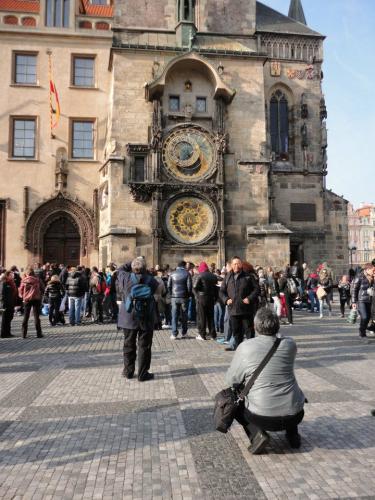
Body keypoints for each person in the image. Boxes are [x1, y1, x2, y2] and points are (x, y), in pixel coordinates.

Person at [226, 308, 305, 454]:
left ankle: (257, 435)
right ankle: (293, 435)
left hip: (262, 417)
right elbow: (281, 338)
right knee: (286, 387)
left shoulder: (246, 347)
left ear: (255, 326)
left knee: (234, 398)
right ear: (278, 326)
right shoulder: (290, 345)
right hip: (295, 414)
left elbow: (232, 380)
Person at [117, 257, 158, 381]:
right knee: (144, 346)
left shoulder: (125, 277)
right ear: (144, 268)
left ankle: (128, 371)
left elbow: (120, 269)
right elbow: (155, 290)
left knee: (128, 344)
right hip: (146, 316)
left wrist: (134, 261)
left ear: (132, 268)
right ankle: (143, 373)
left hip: (128, 316)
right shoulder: (151, 280)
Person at [219, 256, 260, 350]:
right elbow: (221, 291)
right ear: (231, 265)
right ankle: (237, 347)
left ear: (241, 264)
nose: (236, 265)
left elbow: (257, 289)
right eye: (234, 264)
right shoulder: (227, 277)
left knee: (249, 330)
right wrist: (226, 300)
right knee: (236, 331)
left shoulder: (248, 276)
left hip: (246, 309)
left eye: (238, 263)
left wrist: (249, 298)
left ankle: (251, 348)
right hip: (233, 309)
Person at [167, 261, 192, 339]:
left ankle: (174, 333)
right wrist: (188, 295)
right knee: (184, 315)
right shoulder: (187, 273)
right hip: (184, 297)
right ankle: (184, 333)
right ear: (184, 266)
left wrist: (171, 294)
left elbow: (168, 285)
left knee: (174, 315)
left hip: (174, 297)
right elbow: (189, 287)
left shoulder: (172, 273)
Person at [194, 261, 218, 340]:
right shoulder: (213, 276)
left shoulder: (200, 275)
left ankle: (202, 334)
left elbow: (194, 287)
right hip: (211, 299)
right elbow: (216, 287)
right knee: (211, 317)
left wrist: (197, 295)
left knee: (202, 317)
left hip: (201, 298)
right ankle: (213, 335)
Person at [19, 267, 45, 338]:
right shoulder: (38, 280)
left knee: (26, 316)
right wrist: (40, 294)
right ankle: (39, 334)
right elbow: (43, 288)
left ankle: (23, 334)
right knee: (36, 317)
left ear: (26, 273)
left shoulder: (24, 280)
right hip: (36, 299)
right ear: (33, 273)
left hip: (27, 300)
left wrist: (23, 296)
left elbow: (20, 291)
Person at [352, 263, 374, 339]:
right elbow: (354, 289)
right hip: (361, 300)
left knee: (368, 318)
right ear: (367, 270)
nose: (373, 271)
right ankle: (362, 332)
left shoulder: (373, 277)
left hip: (370, 300)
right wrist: (354, 302)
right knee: (364, 317)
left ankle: (363, 331)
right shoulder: (360, 277)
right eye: (372, 270)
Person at [0, 271, 18, 338]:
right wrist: (2, 304)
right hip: (5, 304)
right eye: (11, 275)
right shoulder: (4, 282)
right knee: (5, 319)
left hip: (11, 303)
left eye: (12, 275)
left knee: (9, 318)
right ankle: (3, 334)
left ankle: (8, 332)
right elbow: (2, 294)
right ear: (7, 275)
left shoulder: (11, 283)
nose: (12, 276)